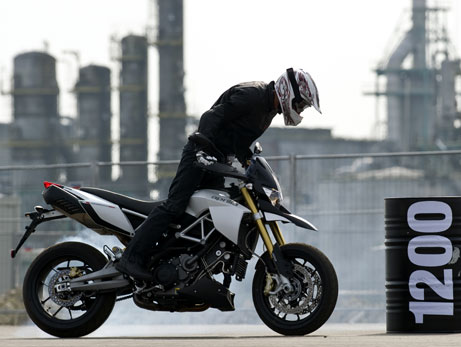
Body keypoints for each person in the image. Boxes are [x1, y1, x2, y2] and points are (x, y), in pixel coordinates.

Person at [115, 68, 322, 281]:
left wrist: (250, 164)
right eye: (301, 104)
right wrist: (202, 148)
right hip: (200, 155)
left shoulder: (268, 108)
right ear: (289, 92)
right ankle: (131, 258)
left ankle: (186, 263)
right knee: (175, 205)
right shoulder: (253, 96)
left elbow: (237, 138)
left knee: (211, 211)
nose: (300, 109)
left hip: (217, 161)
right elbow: (212, 116)